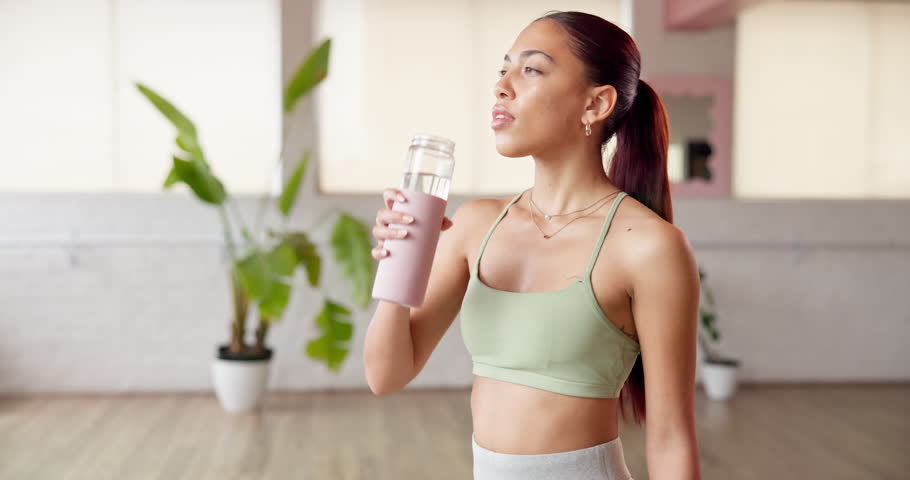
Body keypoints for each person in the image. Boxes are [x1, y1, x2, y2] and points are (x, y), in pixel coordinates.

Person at [364, 10, 701, 480]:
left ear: (596, 104)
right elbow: (386, 376)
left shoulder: (649, 247)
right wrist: (401, 263)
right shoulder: (476, 224)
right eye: (503, 68)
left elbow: (671, 440)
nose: (502, 86)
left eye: (531, 69)